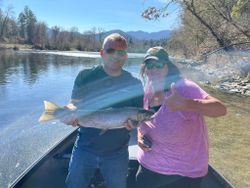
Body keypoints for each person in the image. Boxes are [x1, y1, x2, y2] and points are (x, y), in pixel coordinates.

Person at [135, 46, 227, 188]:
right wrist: (139, 137)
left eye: (159, 64)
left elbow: (220, 109)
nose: (154, 69)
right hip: (149, 166)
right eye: (149, 64)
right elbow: (144, 121)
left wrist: (186, 104)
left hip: (182, 173)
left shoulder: (184, 87)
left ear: (168, 66)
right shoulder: (149, 87)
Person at [61, 33, 143, 188]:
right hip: (84, 147)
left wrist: (135, 124)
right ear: (102, 53)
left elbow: (138, 115)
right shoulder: (85, 76)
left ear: (126, 56)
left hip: (117, 153)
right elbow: (74, 103)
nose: (115, 56)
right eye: (111, 51)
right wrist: (68, 111)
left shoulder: (135, 83)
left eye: (121, 52)